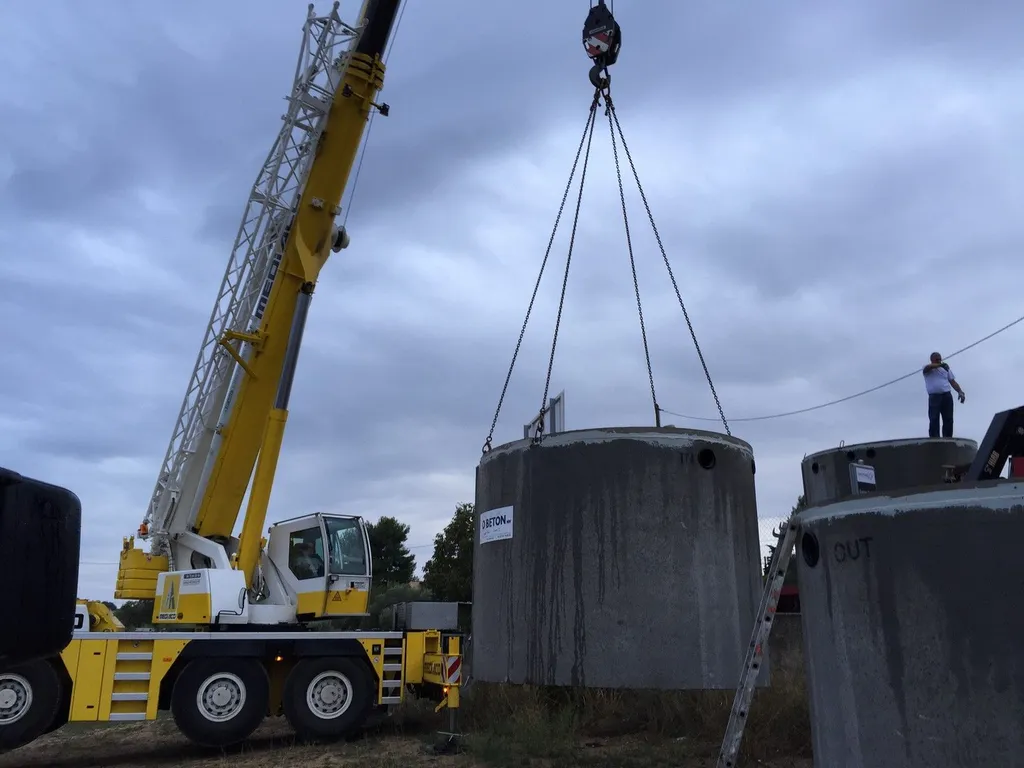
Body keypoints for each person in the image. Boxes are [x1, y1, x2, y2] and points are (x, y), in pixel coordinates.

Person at [922, 352, 965, 438]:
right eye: (936, 359)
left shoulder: (945, 369)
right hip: (934, 396)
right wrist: (940, 365)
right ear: (932, 359)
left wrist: (960, 391)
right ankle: (934, 439)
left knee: (948, 419)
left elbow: (952, 381)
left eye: (940, 358)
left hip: (946, 395)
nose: (939, 360)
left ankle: (947, 438)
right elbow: (927, 368)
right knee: (934, 418)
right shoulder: (928, 369)